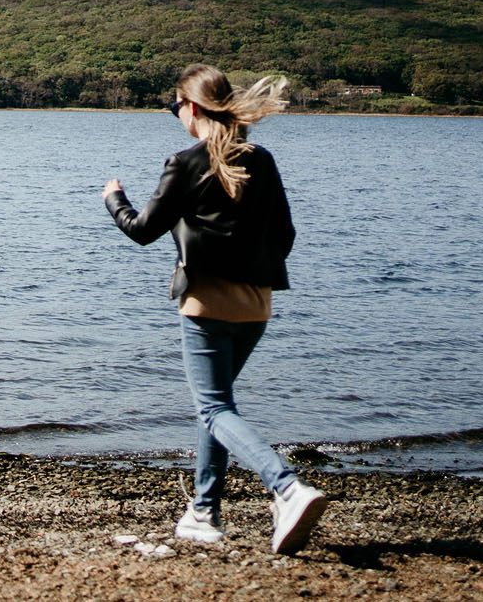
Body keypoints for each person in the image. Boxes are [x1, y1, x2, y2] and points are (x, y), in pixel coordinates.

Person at [102, 64, 327, 555]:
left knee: (213, 406)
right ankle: (204, 512)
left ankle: (287, 487)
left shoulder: (184, 162)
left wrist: (114, 198)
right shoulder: (261, 160)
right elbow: (285, 236)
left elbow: (141, 230)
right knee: (217, 406)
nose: (176, 115)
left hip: (206, 302)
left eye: (175, 107)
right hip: (257, 304)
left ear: (192, 107)